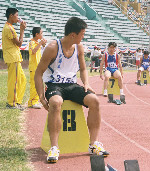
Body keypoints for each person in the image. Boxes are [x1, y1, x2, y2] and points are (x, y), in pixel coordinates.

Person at [34, 17, 109, 163]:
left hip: (71, 85)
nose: (84, 36)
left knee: (94, 100)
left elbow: (83, 68)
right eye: (82, 34)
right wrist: (41, 97)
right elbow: (38, 73)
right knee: (55, 102)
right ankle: (54, 147)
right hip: (54, 85)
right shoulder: (52, 48)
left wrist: (86, 83)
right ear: (73, 35)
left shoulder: (79, 48)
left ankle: (93, 144)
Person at [2, 8, 27, 110]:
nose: (18, 18)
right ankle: (12, 103)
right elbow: (19, 43)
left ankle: (16, 101)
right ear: (11, 16)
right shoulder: (9, 28)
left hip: (15, 57)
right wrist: (22, 30)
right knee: (14, 81)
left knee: (22, 80)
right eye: (17, 15)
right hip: (13, 58)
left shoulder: (9, 27)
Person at [28, 27, 47, 109]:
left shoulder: (36, 42)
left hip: (38, 68)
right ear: (37, 34)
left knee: (38, 84)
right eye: (41, 33)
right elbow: (33, 51)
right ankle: (32, 102)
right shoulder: (31, 42)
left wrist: (42, 44)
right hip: (34, 67)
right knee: (34, 84)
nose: (42, 35)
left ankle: (35, 101)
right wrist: (40, 44)